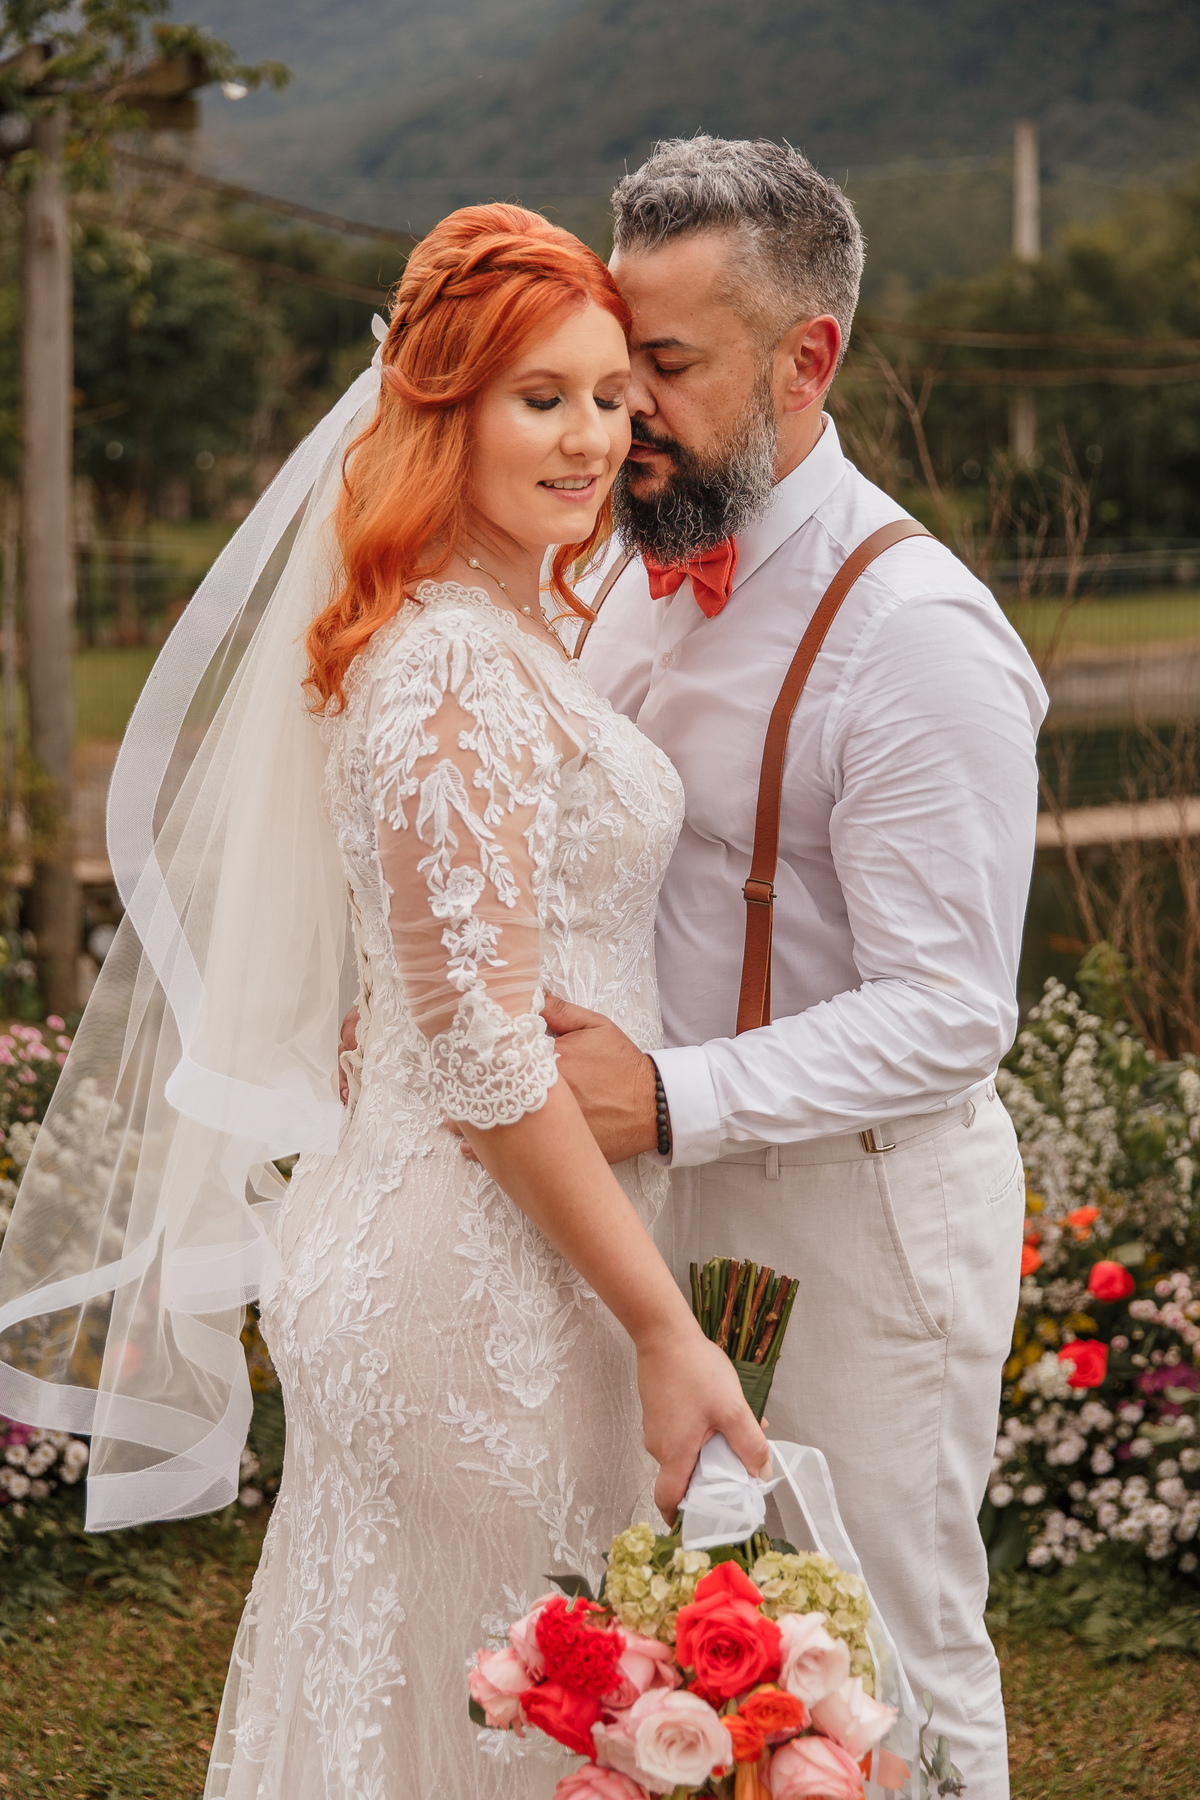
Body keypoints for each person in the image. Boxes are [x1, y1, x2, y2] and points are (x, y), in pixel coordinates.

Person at [0, 204, 766, 1800]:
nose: (590, 437)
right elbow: (489, 1065)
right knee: (479, 1720)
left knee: (474, 1709)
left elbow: (444, 979)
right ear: (439, 408)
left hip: (510, 1235)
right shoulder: (447, 667)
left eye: (614, 396)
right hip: (473, 1279)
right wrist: (663, 1326)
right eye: (538, 396)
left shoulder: (493, 632)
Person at [543, 139, 1048, 1800]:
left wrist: (670, 1095)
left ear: (807, 357)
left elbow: (951, 1013)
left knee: (886, 1644)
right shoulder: (629, 561)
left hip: (866, 1223)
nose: (628, 417)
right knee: (707, 1655)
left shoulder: (920, 636)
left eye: (667, 370)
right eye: (620, 370)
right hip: (679, 1203)